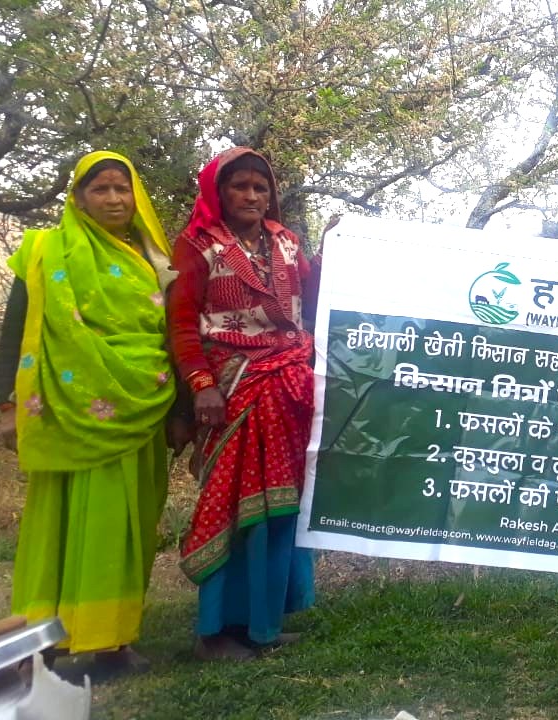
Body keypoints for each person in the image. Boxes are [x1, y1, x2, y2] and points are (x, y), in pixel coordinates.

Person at [0, 151, 187, 672]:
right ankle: (41, 640)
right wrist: (8, 406)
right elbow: (19, 329)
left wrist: (181, 411)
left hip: (141, 407)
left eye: (121, 189)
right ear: (78, 198)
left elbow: (174, 334)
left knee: (126, 527)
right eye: (99, 189)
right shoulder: (45, 251)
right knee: (56, 526)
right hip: (66, 412)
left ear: (136, 197)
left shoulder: (154, 258)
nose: (113, 199)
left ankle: (110, 640)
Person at [168, 147, 318, 661]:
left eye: (261, 186)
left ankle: (263, 624)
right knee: (236, 509)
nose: (253, 195)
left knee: (280, 510)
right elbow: (182, 322)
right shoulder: (197, 247)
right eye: (240, 186)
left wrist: (344, 253)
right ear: (218, 192)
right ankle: (215, 630)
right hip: (233, 390)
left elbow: (312, 295)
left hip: (289, 389)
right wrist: (200, 384)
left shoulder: (287, 242)